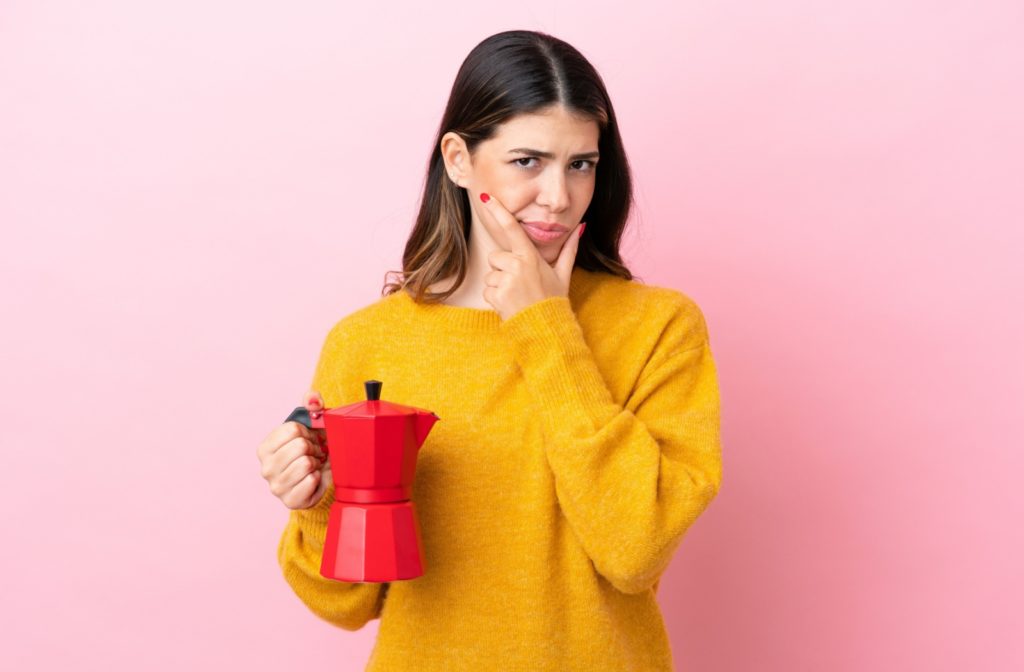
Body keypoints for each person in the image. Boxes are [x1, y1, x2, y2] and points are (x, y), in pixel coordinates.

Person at [256, 29, 723, 671]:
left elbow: (635, 548)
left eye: (581, 163)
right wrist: (320, 502)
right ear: (457, 158)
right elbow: (344, 605)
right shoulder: (367, 342)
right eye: (527, 161)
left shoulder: (660, 328)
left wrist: (547, 327)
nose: (559, 197)